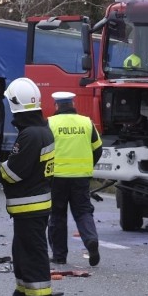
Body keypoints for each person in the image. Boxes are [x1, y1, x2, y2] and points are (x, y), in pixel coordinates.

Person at [0, 78, 55, 296]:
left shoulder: (29, 135)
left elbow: (13, 172)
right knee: (22, 255)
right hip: (31, 207)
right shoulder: (40, 130)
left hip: (30, 206)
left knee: (32, 256)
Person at [47, 91, 102, 267]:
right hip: (81, 177)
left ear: (56, 106)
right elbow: (98, 148)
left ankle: (59, 256)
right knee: (83, 212)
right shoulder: (86, 123)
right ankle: (91, 240)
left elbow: (43, 150)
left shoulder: (50, 123)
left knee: (57, 215)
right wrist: (87, 165)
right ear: (73, 105)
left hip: (57, 177)